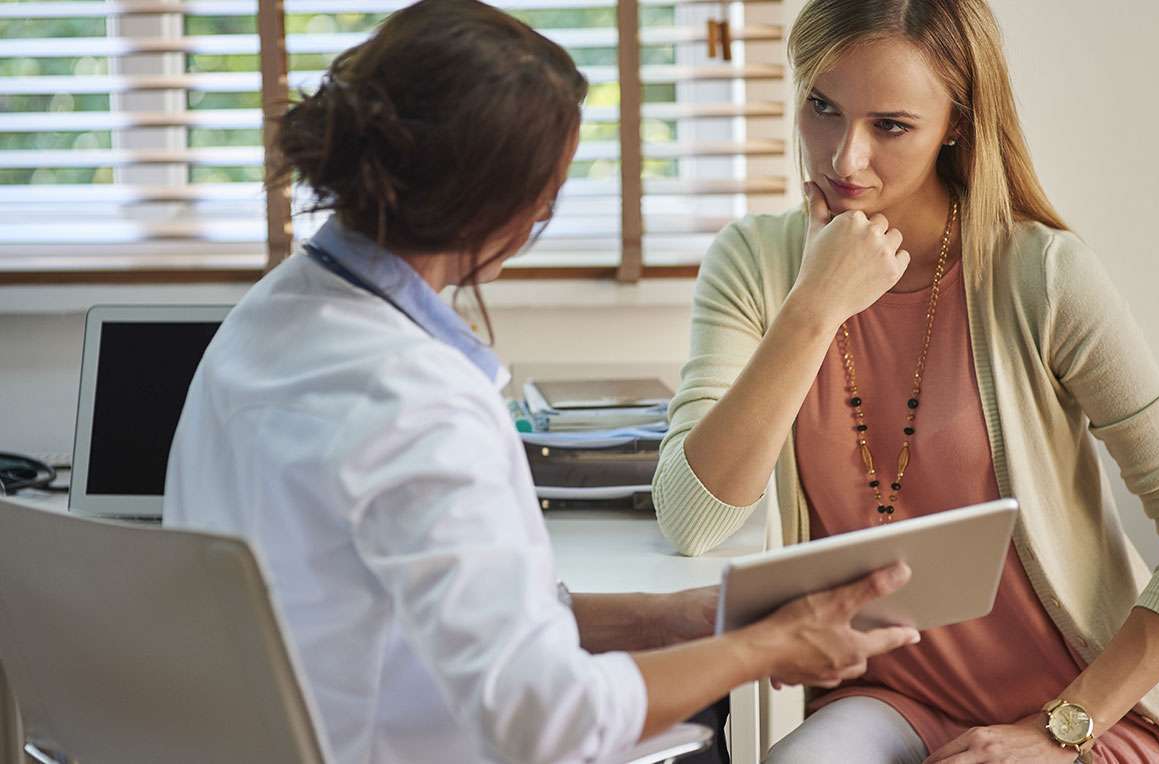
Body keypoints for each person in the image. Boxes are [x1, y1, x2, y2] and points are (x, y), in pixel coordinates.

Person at [161, 2, 924, 763]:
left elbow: (475, 616)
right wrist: (764, 649)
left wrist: (675, 619)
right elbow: (549, 719)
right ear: (506, 210)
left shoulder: (265, 321)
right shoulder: (419, 405)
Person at [650, 0, 1159, 762]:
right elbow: (691, 518)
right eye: (822, 108)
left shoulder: (1040, 274)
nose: (844, 159)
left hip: (1082, 710)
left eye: (891, 127)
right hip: (890, 700)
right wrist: (814, 306)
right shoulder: (756, 265)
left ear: (958, 123)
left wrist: (1060, 730)